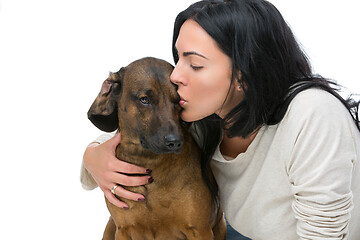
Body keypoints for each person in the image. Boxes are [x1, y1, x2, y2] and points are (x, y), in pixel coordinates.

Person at [81, 0, 360, 239]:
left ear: (242, 74)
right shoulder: (207, 118)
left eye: (195, 64)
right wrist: (92, 156)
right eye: (178, 58)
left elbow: (324, 234)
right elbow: (133, 135)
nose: (175, 75)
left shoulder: (313, 114)